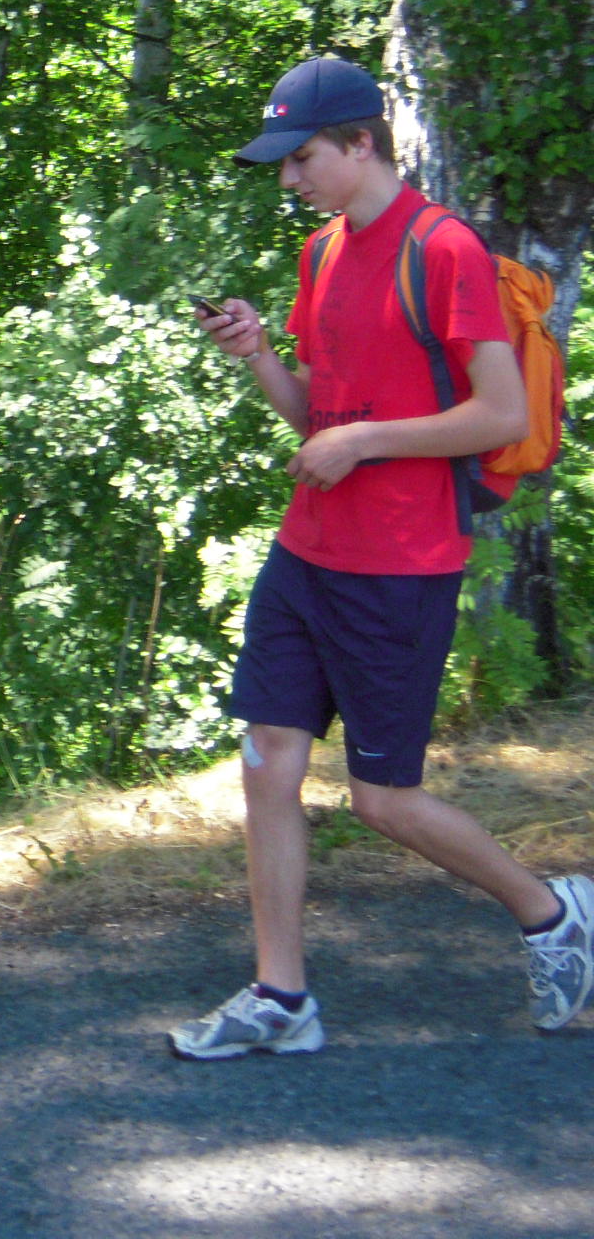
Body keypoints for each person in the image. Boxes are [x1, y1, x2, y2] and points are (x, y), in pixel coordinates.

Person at [172, 57, 594, 1060]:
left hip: (401, 562)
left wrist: (363, 443)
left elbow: (498, 414)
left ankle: (551, 914)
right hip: (306, 551)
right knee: (266, 761)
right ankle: (280, 997)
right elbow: (316, 419)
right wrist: (257, 355)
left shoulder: (442, 249)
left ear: (360, 144)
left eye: (302, 158)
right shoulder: (321, 253)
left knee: (381, 799)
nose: (289, 178)